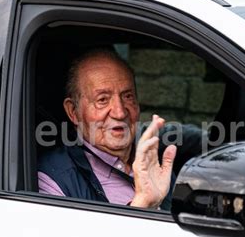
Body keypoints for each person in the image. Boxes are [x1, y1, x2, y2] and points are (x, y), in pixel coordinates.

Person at [38, 49, 177, 209]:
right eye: (102, 99)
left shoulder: (154, 159)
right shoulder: (53, 179)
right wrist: (142, 204)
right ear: (73, 112)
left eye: (128, 96)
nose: (120, 112)